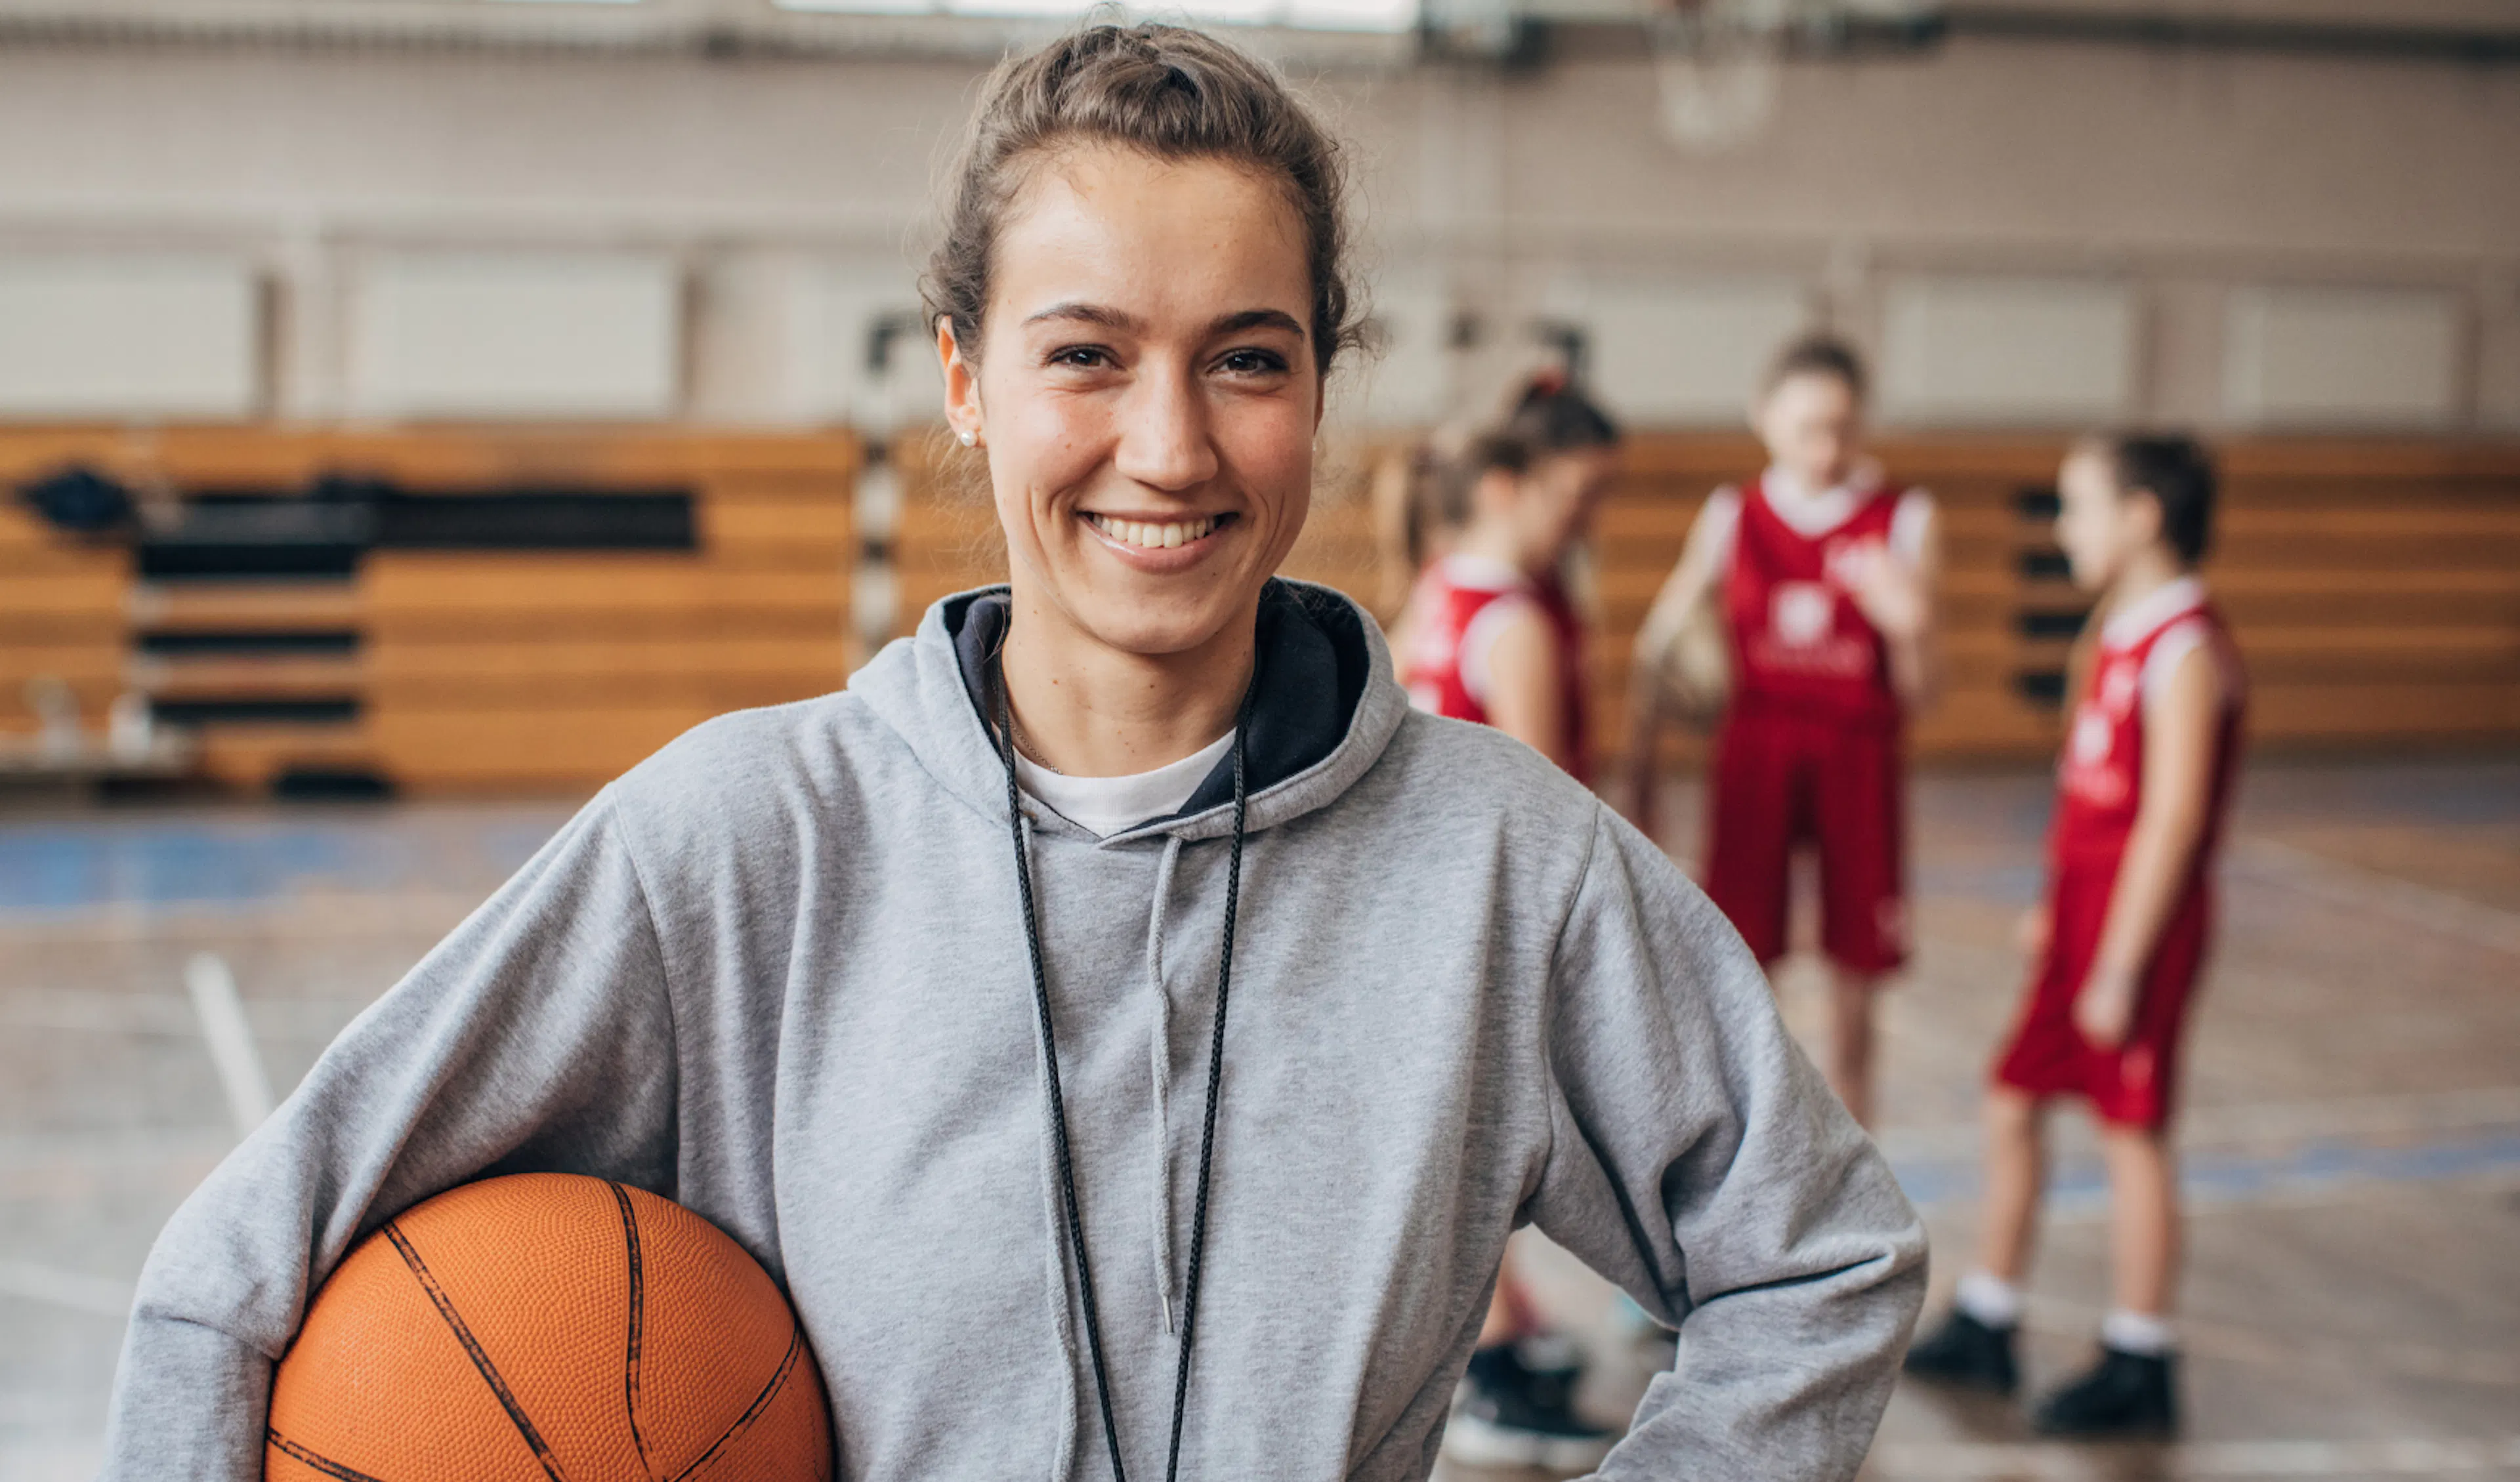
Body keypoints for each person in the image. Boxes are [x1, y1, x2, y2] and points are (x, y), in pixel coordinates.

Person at [100, 25, 1924, 1482]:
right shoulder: (746, 844)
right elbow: (223, 1292)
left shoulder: (1501, 869)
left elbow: (1818, 1259)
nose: (1169, 444)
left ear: (1320, 390)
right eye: (1087, 353)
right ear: (965, 378)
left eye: (1246, 360)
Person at [1904, 434, 2243, 1439]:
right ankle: (1990, 1313)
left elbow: (2171, 820)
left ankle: (2143, 1351)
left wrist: (2120, 960)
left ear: (2143, 515)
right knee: (2013, 1099)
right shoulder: (2121, 624)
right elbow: (2092, 793)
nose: (2065, 529)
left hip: (2140, 927)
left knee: (2132, 1130)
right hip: (2084, 918)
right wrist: (2060, 909)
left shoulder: (2187, 645)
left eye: (2080, 506)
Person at [1389, 381, 1626, 1471]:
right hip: (1487, 914)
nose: (1588, 519)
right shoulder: (1519, 617)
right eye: (1577, 495)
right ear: (1507, 486)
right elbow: (1552, 810)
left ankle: (1506, 1324)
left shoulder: (1435, 589)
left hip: (1416, 904)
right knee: (1497, 1143)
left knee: (1470, 1139)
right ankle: (1485, 1353)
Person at [1626, 334, 1939, 1127]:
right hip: (1755, 749)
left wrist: (1911, 629)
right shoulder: (1734, 515)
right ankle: (1752, 1141)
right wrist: (1646, 748)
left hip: (1857, 755)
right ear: (1764, 419)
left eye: (1843, 428)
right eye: (1808, 428)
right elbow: (1659, 647)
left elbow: (1923, 694)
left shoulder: (1902, 518)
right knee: (1741, 962)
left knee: (1857, 980)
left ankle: (1854, 1146)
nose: (1827, 449)